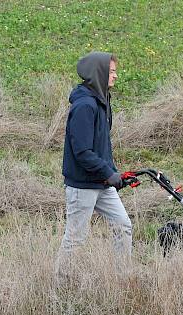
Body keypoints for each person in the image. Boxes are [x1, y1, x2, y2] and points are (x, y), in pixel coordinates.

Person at [57, 51, 132, 269]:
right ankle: (62, 283)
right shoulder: (85, 106)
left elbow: (101, 147)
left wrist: (113, 173)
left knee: (123, 226)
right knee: (75, 239)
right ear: (98, 73)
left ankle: (122, 278)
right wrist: (108, 173)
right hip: (82, 185)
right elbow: (82, 151)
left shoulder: (102, 101)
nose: (115, 76)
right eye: (111, 72)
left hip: (102, 182)